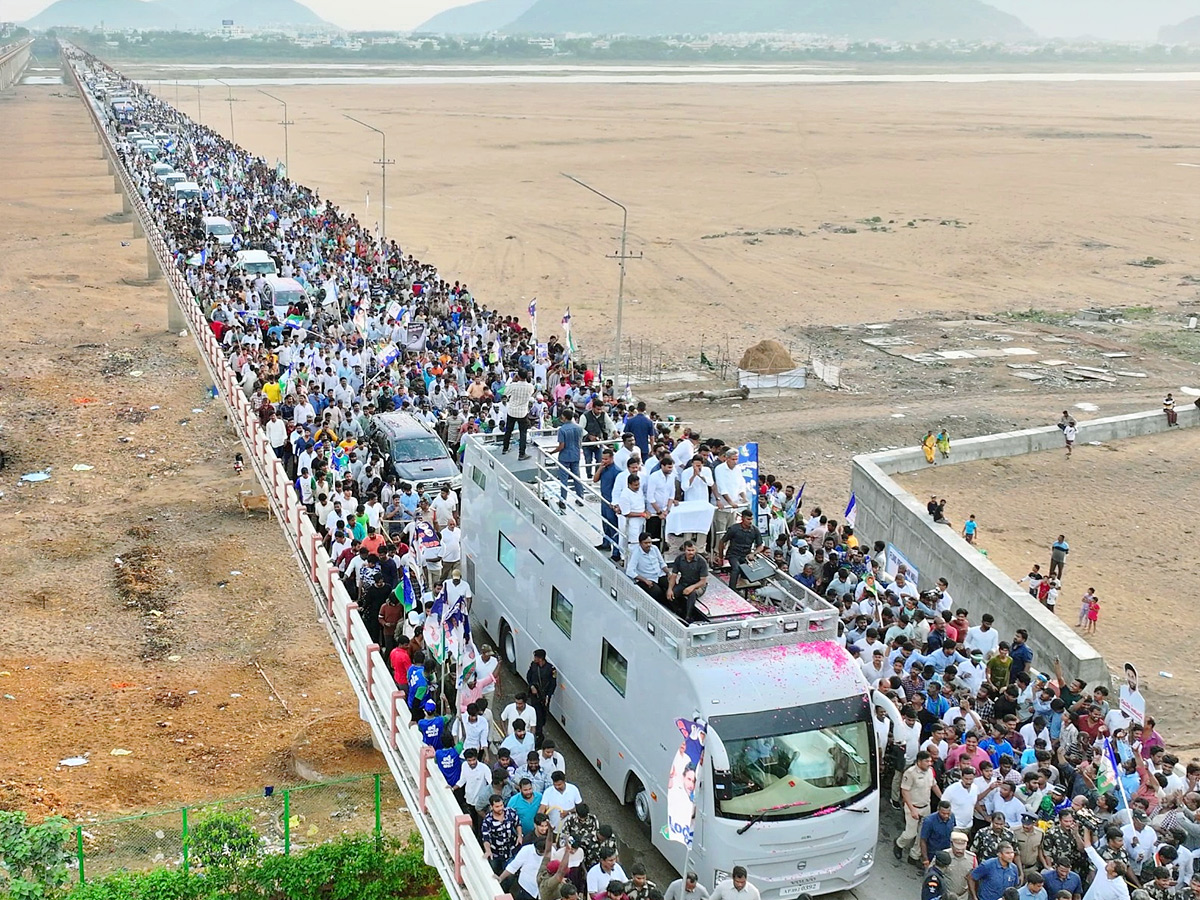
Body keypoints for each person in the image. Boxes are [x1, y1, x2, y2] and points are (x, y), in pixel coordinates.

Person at [896, 751, 941, 863]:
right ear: (919, 761)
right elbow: (905, 791)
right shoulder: (910, 773)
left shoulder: (930, 771)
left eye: (930, 761)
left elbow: (934, 785)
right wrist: (912, 809)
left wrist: (942, 797)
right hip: (913, 806)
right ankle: (899, 844)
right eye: (927, 761)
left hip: (926, 806)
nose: (929, 763)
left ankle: (914, 856)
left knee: (922, 834)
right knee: (911, 833)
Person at [718, 509, 766, 590]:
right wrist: (720, 557)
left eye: (751, 519)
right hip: (733, 555)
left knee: (751, 570)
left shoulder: (755, 530)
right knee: (736, 569)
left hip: (746, 555)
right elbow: (722, 542)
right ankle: (732, 589)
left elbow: (760, 546)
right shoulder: (734, 529)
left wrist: (753, 553)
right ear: (743, 518)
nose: (750, 522)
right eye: (748, 519)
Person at [667, 540, 710, 622]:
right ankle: (678, 611)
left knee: (692, 594)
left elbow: (703, 581)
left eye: (693, 550)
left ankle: (688, 616)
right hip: (684, 583)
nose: (691, 552)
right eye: (688, 550)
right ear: (684, 550)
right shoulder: (679, 559)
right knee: (671, 594)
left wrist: (692, 587)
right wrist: (670, 589)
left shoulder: (701, 561)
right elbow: (674, 576)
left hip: (698, 585)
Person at [553, 408, 586, 507]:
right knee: (577, 477)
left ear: (564, 417)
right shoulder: (579, 428)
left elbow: (561, 446)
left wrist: (551, 452)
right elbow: (580, 443)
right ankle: (580, 498)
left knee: (564, 479)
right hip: (576, 455)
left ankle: (563, 500)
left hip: (564, 456)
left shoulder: (562, 429)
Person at [626, 532, 669, 604]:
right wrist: (645, 580)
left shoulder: (654, 548)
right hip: (648, 578)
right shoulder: (636, 553)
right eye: (645, 543)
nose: (648, 545)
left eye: (650, 542)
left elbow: (662, 563)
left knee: (671, 587)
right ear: (640, 543)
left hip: (659, 575)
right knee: (657, 592)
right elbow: (629, 571)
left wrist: (669, 573)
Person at [526, 650, 557, 747]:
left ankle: (539, 730)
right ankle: (538, 734)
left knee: (543, 715)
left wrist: (548, 695)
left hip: (544, 697)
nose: (534, 659)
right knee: (536, 714)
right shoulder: (533, 666)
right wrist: (531, 686)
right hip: (535, 695)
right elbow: (529, 676)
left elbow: (553, 684)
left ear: (540, 658)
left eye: (536, 657)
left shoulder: (551, 669)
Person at [501, 370, 535, 459]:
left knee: (508, 430)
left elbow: (504, 392)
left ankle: (505, 448)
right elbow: (531, 391)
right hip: (522, 412)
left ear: (518, 376)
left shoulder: (513, 385)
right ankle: (522, 454)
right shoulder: (530, 387)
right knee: (523, 433)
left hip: (511, 411)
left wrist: (512, 380)